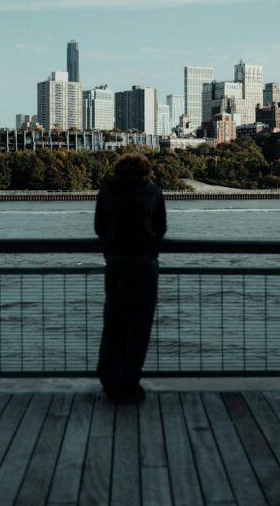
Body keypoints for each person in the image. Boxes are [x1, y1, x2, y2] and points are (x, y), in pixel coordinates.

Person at [94, 152, 167, 403]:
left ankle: (107, 377)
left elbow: (99, 228)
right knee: (139, 324)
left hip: (116, 261)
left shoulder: (107, 190)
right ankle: (130, 381)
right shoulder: (154, 191)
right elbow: (161, 229)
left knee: (113, 318)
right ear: (145, 170)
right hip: (145, 262)